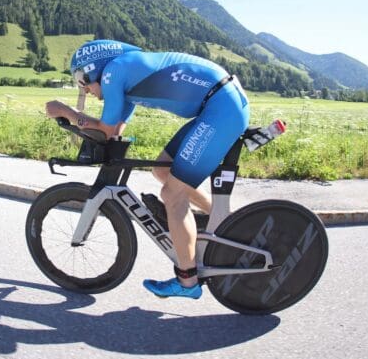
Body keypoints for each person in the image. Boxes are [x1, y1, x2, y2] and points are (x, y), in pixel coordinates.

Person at [45, 39, 250, 299]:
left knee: (172, 195)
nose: (83, 87)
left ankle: (188, 281)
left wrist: (67, 111)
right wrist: (80, 122)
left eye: (80, 78)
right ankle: (225, 222)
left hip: (221, 108)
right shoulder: (124, 81)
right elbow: (114, 132)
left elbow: (106, 130)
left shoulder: (113, 72)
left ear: (91, 69)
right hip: (219, 104)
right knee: (162, 172)